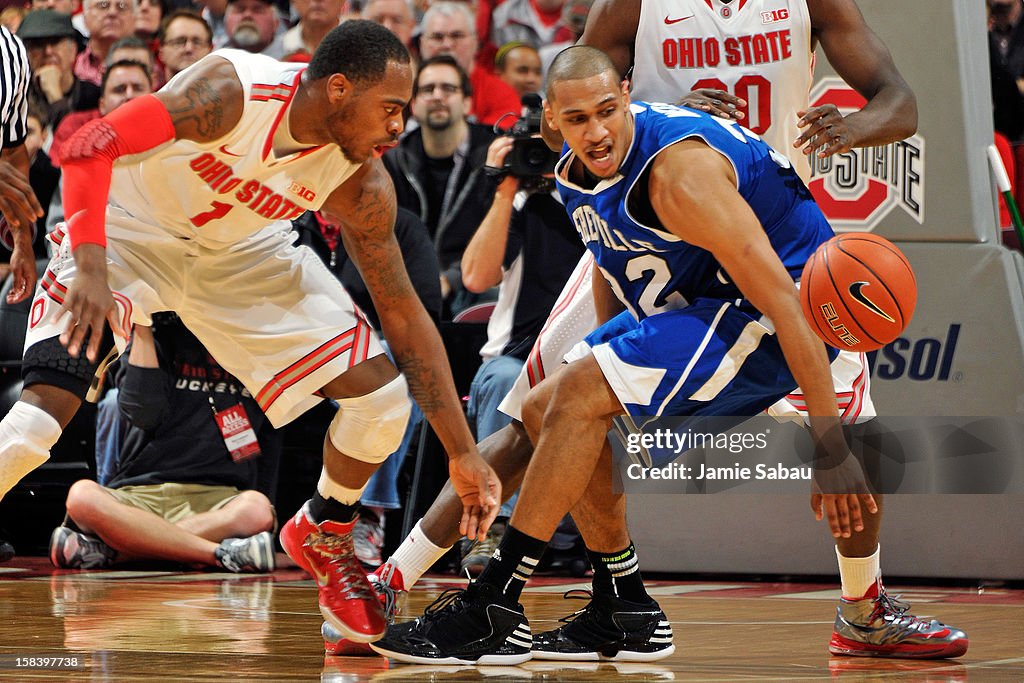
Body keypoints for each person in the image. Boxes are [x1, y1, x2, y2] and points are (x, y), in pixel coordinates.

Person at [332, 0, 926, 657]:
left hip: (768, 280)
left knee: (845, 429)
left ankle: (490, 604)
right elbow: (612, 257)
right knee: (543, 406)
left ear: (625, 97)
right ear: (552, 119)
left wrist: (830, 448)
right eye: (575, 118)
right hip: (682, 269)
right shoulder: (581, 162)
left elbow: (788, 305)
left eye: (605, 112)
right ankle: (623, 603)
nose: (592, 130)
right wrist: (607, 361)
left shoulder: (676, 172)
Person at [0, 20, 499, 645]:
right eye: (391, 108)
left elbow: (402, 312)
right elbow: (90, 146)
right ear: (339, 89)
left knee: (382, 404)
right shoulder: (233, 91)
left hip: (240, 255)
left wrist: (462, 451)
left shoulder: (361, 179)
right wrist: (94, 266)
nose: (399, 127)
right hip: (128, 232)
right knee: (31, 432)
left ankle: (325, 528)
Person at [50, 314, 280, 573]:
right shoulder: (152, 340)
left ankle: (117, 553)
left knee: (257, 509)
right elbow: (144, 413)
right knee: (82, 496)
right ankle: (219, 553)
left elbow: (270, 437)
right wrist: (143, 325)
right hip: (140, 497)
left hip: (215, 499)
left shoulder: (251, 349)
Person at [382, 55, 497, 317]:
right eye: (427, 89)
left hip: (472, 283)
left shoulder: (492, 157)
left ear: (467, 102)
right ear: (414, 104)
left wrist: (450, 280)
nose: (437, 96)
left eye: (449, 88)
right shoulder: (394, 161)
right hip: (410, 285)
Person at [418, 2, 520, 127]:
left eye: (457, 36)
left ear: (475, 42)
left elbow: (497, 142)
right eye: (437, 37)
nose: (447, 45)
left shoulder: (501, 94)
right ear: (422, 43)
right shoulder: (404, 89)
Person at [18, 9, 101, 131]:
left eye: (55, 42)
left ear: (73, 50)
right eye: (38, 44)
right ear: (26, 54)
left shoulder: (93, 97)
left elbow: (77, 143)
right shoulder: (17, 98)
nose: (48, 51)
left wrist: (55, 97)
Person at [75, 0, 137, 86]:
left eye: (122, 6)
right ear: (85, 18)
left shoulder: (149, 68)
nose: (112, 12)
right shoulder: (71, 64)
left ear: (135, 19)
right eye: (103, 5)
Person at [157, 9, 214, 82]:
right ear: (161, 51)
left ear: (210, 50)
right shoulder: (146, 92)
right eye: (179, 42)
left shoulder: (228, 93)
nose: (188, 49)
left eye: (197, 42)